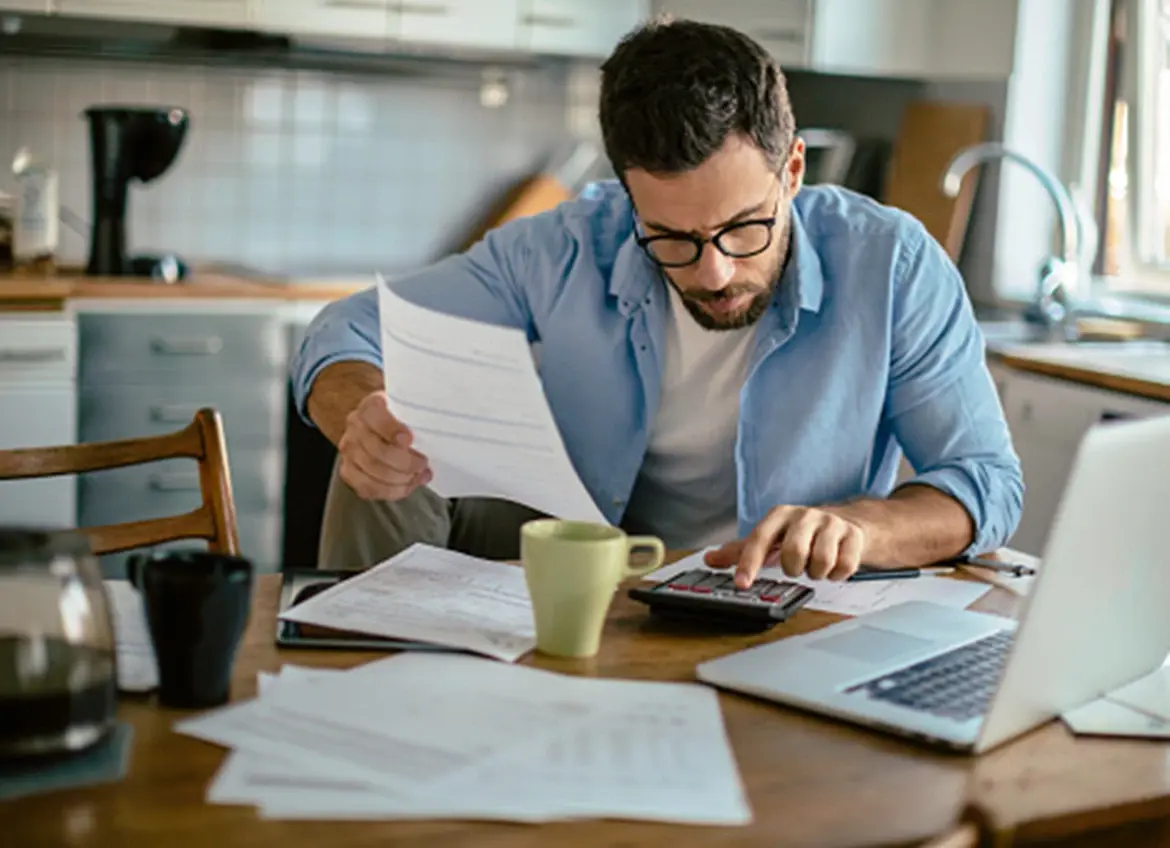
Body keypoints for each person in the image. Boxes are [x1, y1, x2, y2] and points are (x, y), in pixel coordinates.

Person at [290, 16, 1023, 588]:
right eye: (669, 237)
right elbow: (345, 327)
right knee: (387, 430)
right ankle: (361, 693)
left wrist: (861, 529)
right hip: (585, 556)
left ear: (792, 168)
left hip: (771, 591)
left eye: (744, 228)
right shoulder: (567, 245)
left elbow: (984, 481)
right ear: (628, 198)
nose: (712, 271)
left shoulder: (891, 263)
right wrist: (362, 414)